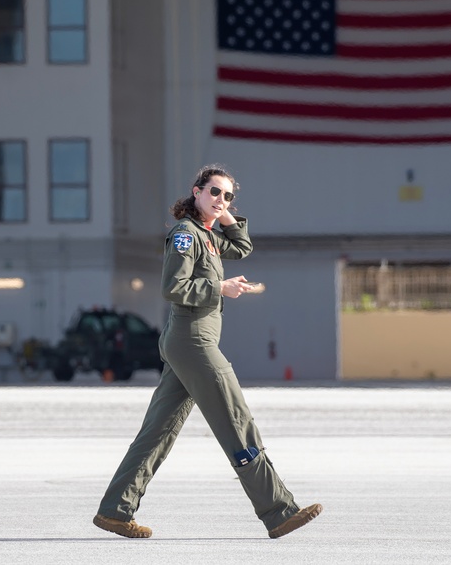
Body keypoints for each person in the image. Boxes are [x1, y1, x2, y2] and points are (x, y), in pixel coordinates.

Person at [93, 164, 322, 539]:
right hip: (193, 342)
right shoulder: (186, 234)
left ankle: (115, 511)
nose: (221, 200)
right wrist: (220, 288)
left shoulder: (207, 234)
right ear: (195, 190)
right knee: (237, 421)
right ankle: (279, 510)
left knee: (157, 432)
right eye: (214, 192)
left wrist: (221, 212)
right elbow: (173, 286)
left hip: (188, 343)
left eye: (228, 195)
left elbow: (243, 246)